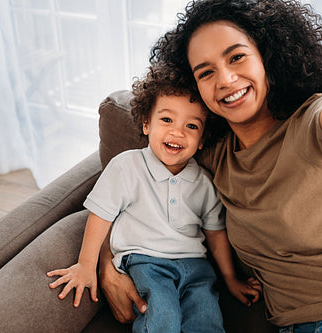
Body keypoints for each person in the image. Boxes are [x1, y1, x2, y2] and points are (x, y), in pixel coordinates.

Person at [98, 0, 322, 332]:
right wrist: (106, 268)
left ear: (267, 57)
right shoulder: (212, 156)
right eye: (206, 73)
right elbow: (124, 196)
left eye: (236, 57)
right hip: (295, 324)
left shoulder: (314, 123)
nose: (225, 80)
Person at [47, 63, 261, 333]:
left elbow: (216, 235)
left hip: (197, 268)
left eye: (192, 126)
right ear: (147, 123)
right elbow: (100, 216)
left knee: (207, 320)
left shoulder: (204, 182)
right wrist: (87, 265)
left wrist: (230, 279)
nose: (178, 132)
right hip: (146, 262)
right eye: (167, 120)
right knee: (162, 318)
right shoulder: (126, 166)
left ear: (202, 139)